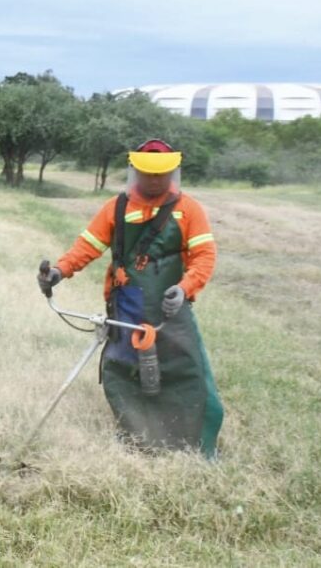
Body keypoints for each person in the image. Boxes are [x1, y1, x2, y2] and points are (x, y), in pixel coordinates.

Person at [37, 139, 223, 459]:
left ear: (173, 173)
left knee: (187, 370)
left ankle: (195, 443)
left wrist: (185, 288)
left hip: (171, 307)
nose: (154, 181)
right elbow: (87, 247)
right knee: (124, 371)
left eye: (161, 175)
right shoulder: (116, 208)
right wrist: (58, 271)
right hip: (126, 305)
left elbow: (204, 255)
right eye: (147, 174)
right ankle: (138, 436)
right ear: (134, 171)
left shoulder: (188, 209)